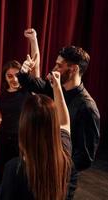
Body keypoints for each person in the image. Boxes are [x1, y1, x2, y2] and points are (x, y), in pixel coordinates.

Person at [17, 46, 100, 199]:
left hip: (63, 180)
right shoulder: (55, 88)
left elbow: (85, 157)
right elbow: (33, 84)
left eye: (59, 65)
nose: (54, 68)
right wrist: (23, 71)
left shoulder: (87, 108)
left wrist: (57, 166)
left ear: (73, 69)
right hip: (42, 170)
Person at [0, 71, 72, 200]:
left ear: (24, 126)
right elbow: (65, 123)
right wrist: (57, 87)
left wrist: (57, 86)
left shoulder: (14, 168)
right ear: (54, 123)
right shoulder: (64, 154)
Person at [0, 28, 40, 193]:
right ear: (4, 77)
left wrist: (33, 40)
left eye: (17, 75)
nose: (14, 79)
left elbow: (36, 65)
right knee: (3, 183)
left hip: (23, 144)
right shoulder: (1, 95)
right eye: (9, 76)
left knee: (21, 184)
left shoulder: (28, 91)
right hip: (4, 142)